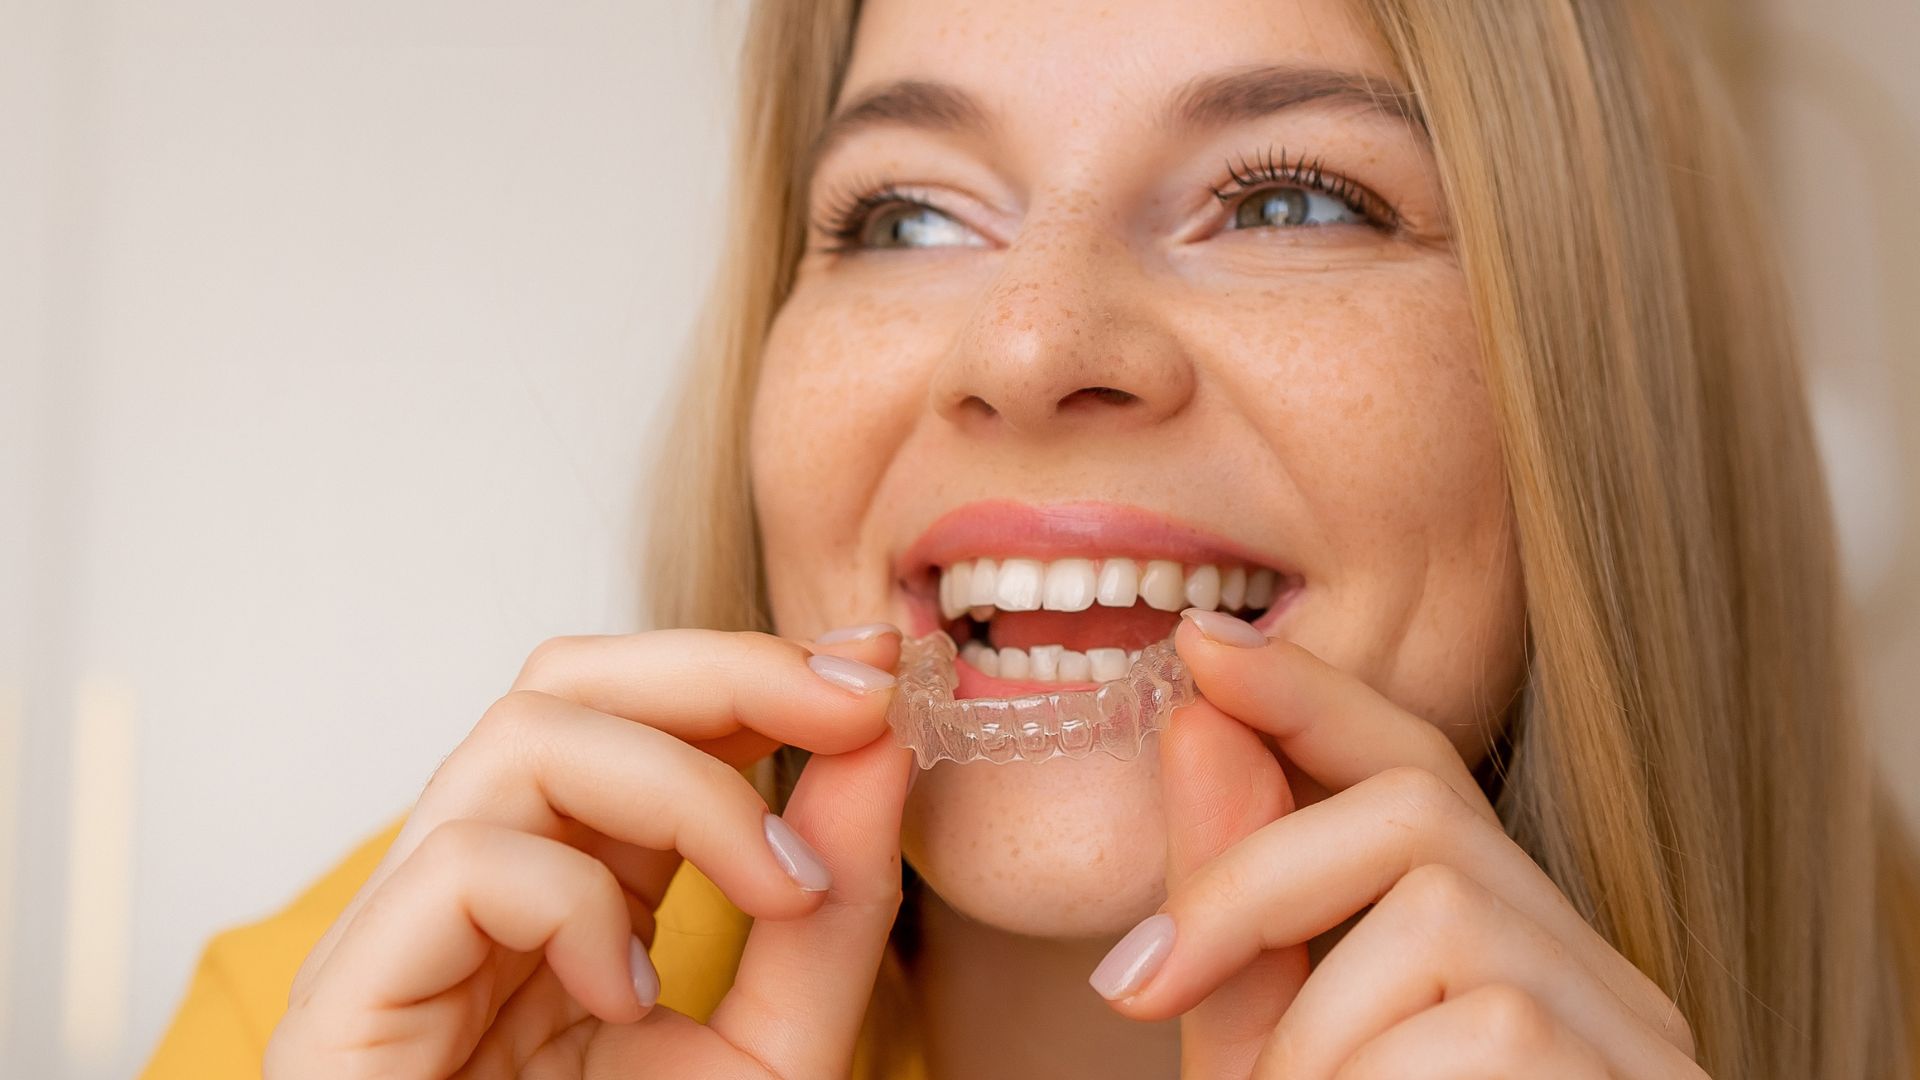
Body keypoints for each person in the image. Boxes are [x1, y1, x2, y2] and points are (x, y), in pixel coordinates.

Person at [142, 0, 1920, 1077]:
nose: (1029, 346)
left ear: (1593, 391)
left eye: (1291, 196)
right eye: (906, 215)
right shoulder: (367, 1024)